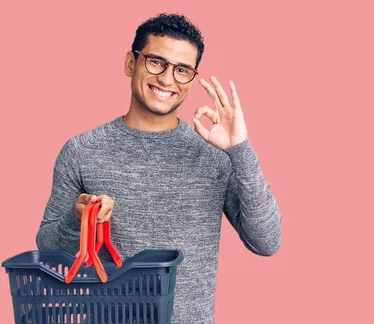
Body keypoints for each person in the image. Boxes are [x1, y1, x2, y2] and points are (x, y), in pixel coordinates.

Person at [35, 13, 282, 323]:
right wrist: (78, 216)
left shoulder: (215, 154)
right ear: (131, 62)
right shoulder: (81, 151)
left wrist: (240, 148)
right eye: (156, 62)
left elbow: (267, 241)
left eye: (182, 70)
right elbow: (48, 248)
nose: (167, 80)